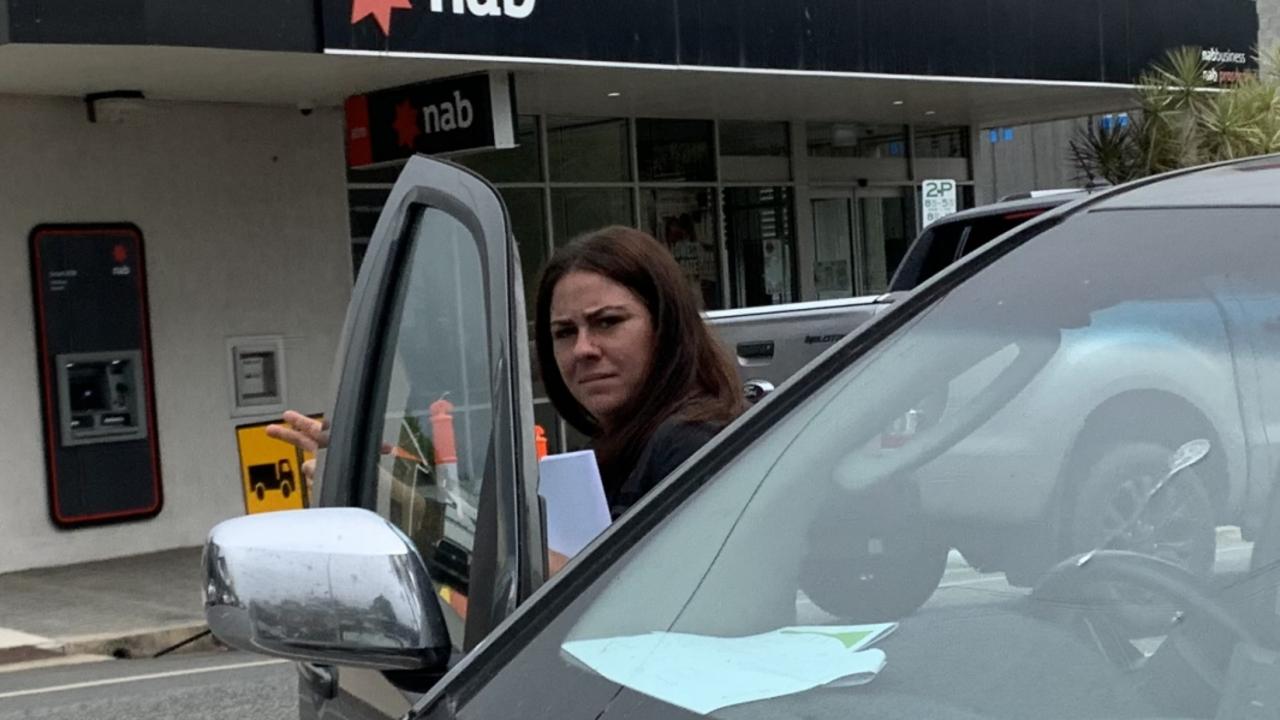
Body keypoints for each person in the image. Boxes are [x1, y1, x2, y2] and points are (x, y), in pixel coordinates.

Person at [535, 225, 744, 516]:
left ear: (665, 325)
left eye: (607, 322)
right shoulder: (617, 449)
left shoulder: (690, 444)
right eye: (565, 332)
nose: (583, 349)